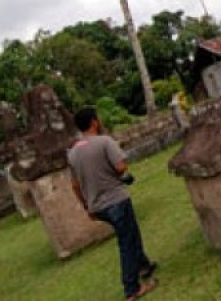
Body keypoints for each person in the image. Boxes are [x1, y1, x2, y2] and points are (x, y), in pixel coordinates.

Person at [69, 107, 157, 300]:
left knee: (129, 233)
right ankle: (131, 289)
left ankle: (144, 265)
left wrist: (86, 207)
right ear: (94, 122)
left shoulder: (73, 153)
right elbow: (121, 166)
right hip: (115, 200)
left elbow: (75, 186)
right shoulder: (104, 141)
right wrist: (116, 174)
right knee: (127, 241)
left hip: (96, 206)